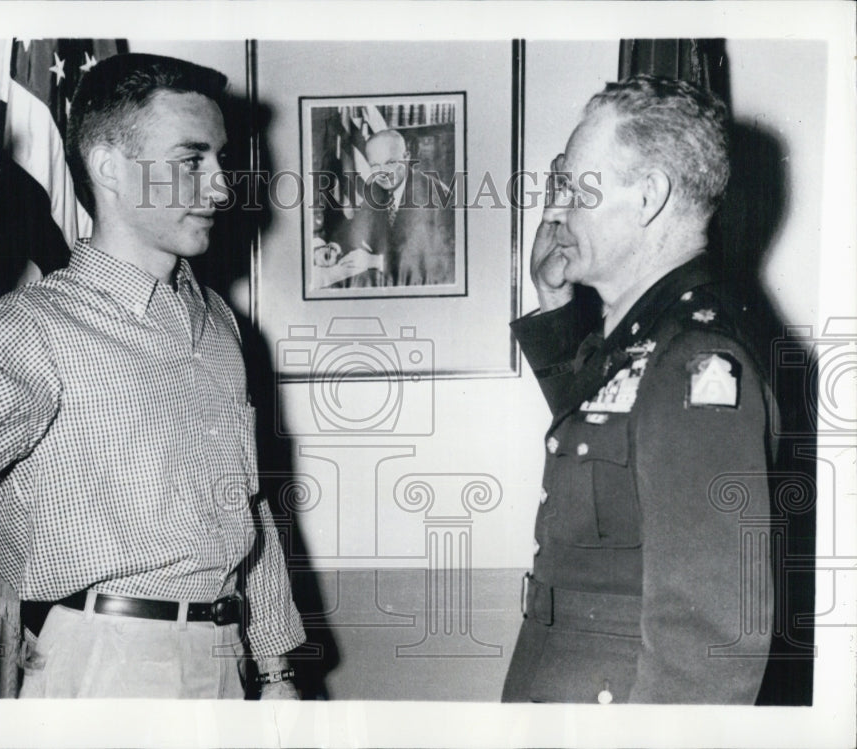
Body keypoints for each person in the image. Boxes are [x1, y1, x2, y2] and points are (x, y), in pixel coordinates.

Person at [0, 54, 305, 699]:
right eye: (191, 160)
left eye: (220, 160)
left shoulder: (221, 324)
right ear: (110, 168)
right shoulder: (33, 327)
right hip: (103, 664)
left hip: (228, 656)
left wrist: (278, 669)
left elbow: (246, 505)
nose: (223, 188)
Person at [502, 75, 774, 704]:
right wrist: (555, 305)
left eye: (576, 186)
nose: (554, 208)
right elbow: (610, 452)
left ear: (649, 196)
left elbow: (709, 640)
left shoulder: (698, 358)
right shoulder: (647, 338)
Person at [330, 129, 455, 288]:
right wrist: (333, 248)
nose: (382, 173)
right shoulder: (376, 190)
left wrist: (377, 261)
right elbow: (355, 227)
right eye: (375, 165)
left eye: (390, 163)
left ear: (407, 157)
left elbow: (442, 259)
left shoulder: (436, 195)